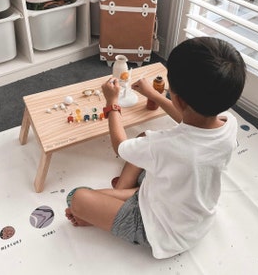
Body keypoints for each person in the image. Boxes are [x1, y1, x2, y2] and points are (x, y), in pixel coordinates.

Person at [65, 36, 246, 259]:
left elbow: (120, 146)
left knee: (76, 198)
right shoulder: (229, 124)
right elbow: (188, 117)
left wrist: (111, 104)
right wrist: (153, 95)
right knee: (142, 137)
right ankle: (126, 192)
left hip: (158, 230)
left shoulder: (167, 145)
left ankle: (124, 194)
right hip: (192, 216)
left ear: (177, 99)